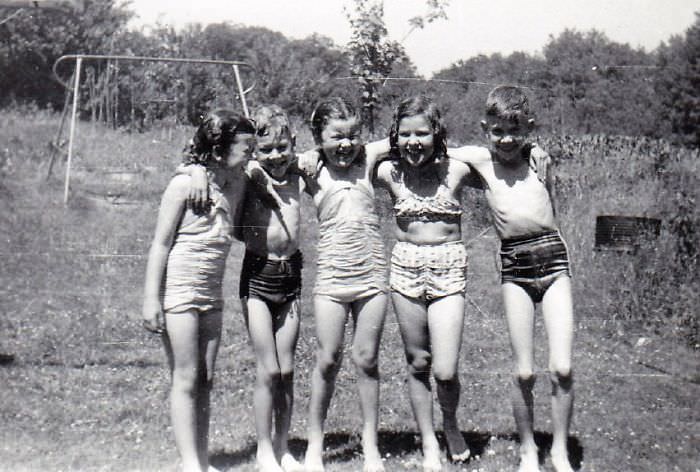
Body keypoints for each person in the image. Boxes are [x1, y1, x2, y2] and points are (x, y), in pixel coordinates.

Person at [449, 85, 575, 472]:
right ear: (485, 128)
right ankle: (527, 450)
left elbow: (550, 202)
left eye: (515, 130)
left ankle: (558, 450)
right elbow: (425, 146)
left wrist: (537, 153)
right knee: (524, 370)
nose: (506, 139)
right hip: (514, 267)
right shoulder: (481, 160)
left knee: (563, 368)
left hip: (554, 260)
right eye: (498, 131)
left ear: (529, 128)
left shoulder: (539, 160)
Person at [142, 109, 256, 472]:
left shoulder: (237, 180)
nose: (250, 155)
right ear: (220, 148)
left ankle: (202, 459)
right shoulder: (184, 185)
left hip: (211, 292)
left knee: (206, 378)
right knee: (186, 375)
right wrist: (150, 299)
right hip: (179, 290)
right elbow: (160, 244)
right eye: (244, 148)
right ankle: (190, 463)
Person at [373, 95, 481, 471]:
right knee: (418, 361)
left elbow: (502, 160)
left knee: (445, 369)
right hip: (405, 267)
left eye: (422, 133)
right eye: (405, 134)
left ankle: (450, 423)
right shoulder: (389, 172)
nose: (413, 142)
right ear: (394, 136)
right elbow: (349, 154)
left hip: (449, 266)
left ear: (438, 134)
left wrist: (531, 149)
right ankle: (429, 440)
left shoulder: (458, 170)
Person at [299, 97, 392, 472]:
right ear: (319, 138)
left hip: (371, 276)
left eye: (353, 135)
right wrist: (307, 154)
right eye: (336, 137)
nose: (345, 145)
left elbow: (402, 137)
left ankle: (370, 445)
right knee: (327, 358)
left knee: (367, 359)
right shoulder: (311, 171)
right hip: (333, 278)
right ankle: (314, 445)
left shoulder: (368, 162)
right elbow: (259, 163)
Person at [237, 105, 305, 472]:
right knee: (268, 370)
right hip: (257, 278)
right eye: (267, 150)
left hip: (291, 277)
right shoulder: (249, 175)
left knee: (287, 369)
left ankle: (283, 447)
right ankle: (264, 450)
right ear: (254, 151)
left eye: (282, 147)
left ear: (293, 144)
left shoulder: (299, 172)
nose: (276, 156)